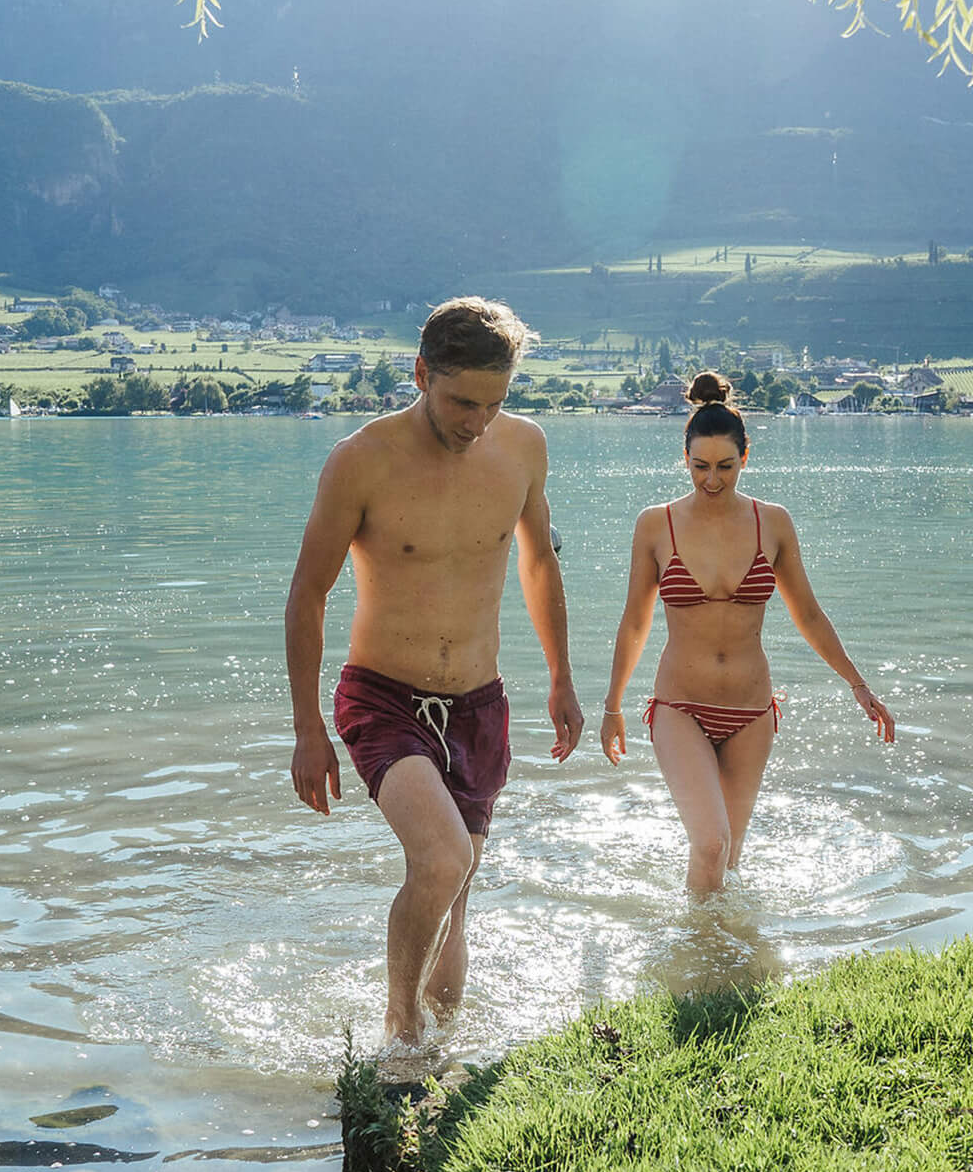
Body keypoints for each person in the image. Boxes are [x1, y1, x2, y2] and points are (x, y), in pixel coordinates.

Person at [285, 298, 583, 1046]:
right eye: (460, 402)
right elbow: (307, 593)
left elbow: (540, 563)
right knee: (443, 858)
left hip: (480, 704)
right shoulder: (362, 461)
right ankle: (400, 1030)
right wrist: (306, 728)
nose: (476, 422)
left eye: (493, 403)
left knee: (457, 891)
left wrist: (561, 677)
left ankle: (444, 1048)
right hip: (383, 698)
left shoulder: (523, 449)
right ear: (420, 374)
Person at [601, 371, 894, 894]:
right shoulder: (655, 525)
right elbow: (635, 621)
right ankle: (695, 955)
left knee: (729, 855)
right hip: (680, 706)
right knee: (710, 842)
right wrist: (612, 707)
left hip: (751, 712)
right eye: (700, 467)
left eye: (725, 467)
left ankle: (721, 960)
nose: (712, 480)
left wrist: (858, 684)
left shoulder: (772, 523)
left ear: (745, 457)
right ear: (684, 458)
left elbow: (808, 614)